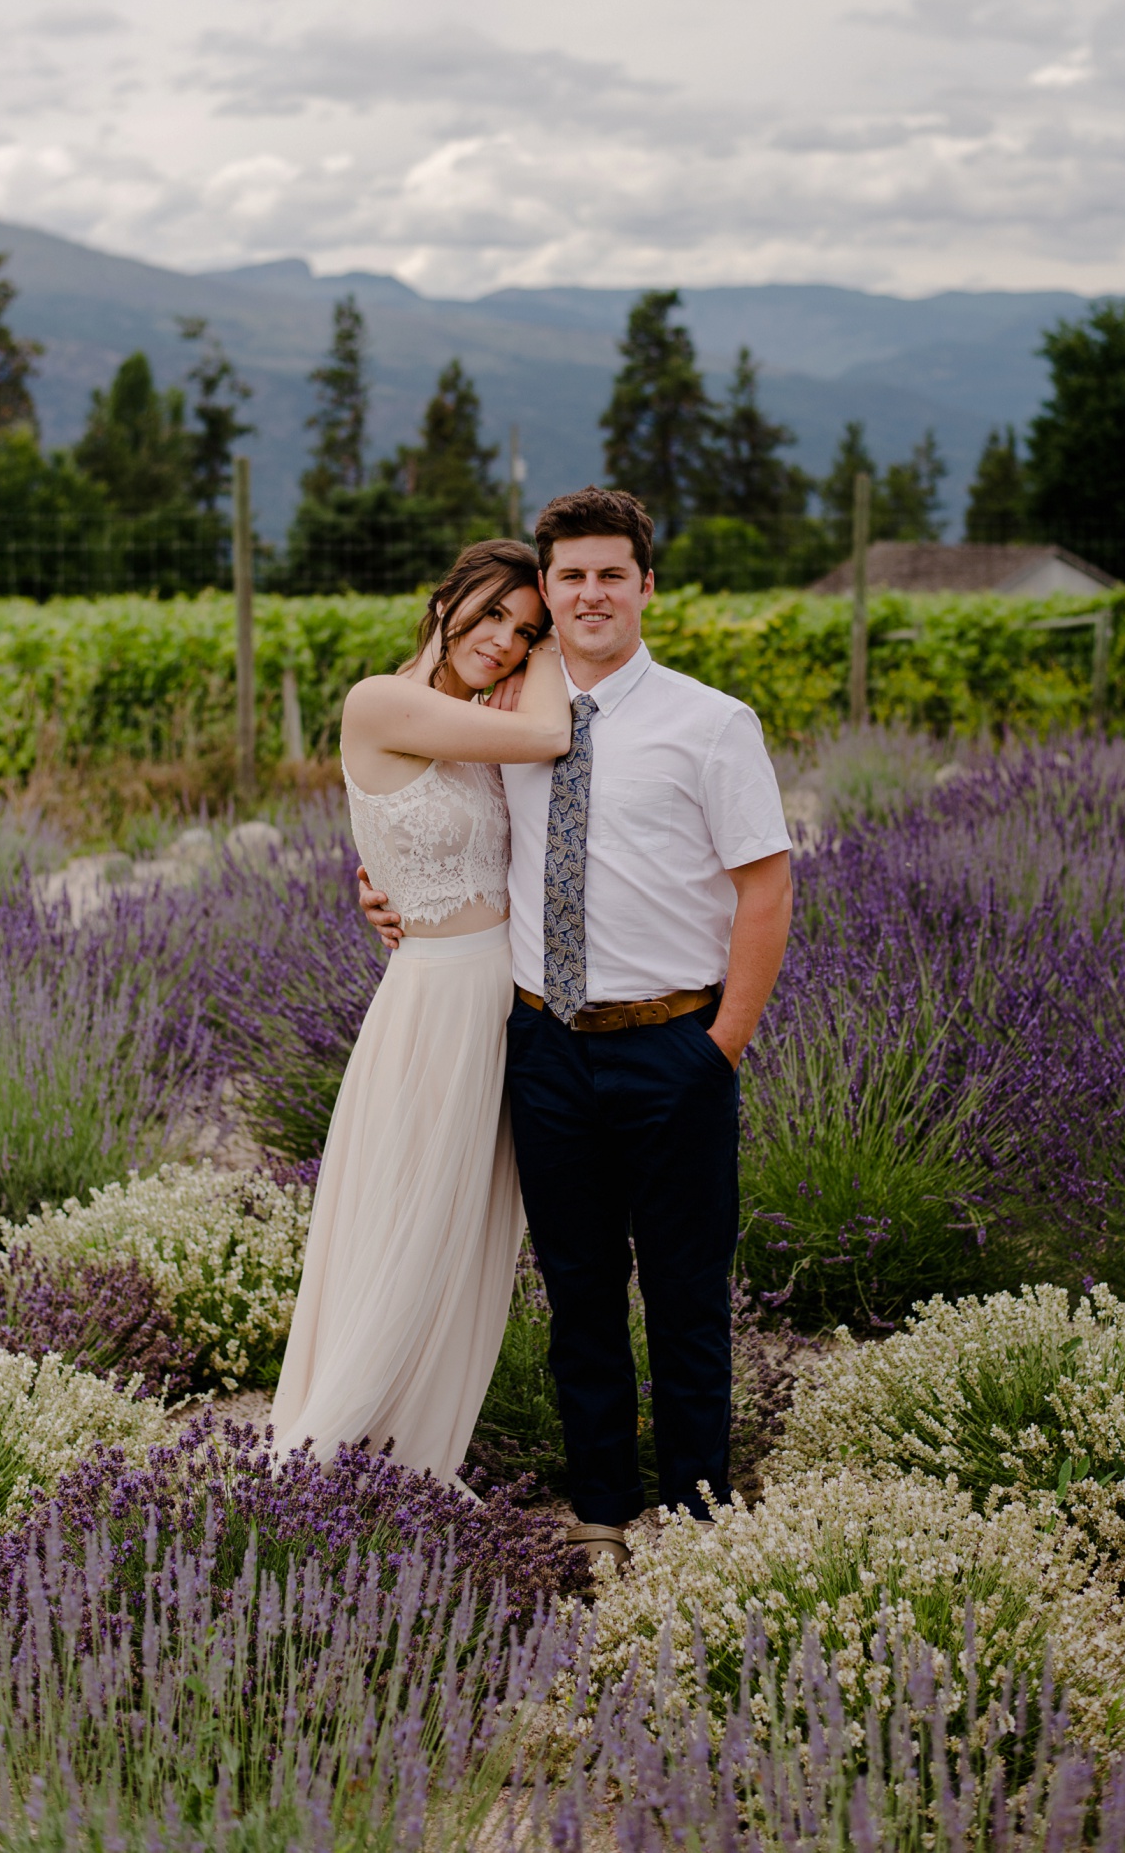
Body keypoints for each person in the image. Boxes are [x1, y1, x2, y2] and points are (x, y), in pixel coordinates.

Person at [361, 486, 793, 1568]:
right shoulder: (503, 719)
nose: (590, 592)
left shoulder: (709, 722)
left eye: (611, 573)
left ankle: (697, 1518)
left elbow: (766, 886)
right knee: (580, 1295)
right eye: (570, 577)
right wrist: (380, 894)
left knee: (687, 1294)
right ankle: (599, 1505)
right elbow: (427, 830)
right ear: (547, 596)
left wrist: (717, 1048)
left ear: (646, 585)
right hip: (541, 1046)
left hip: (671, 1046)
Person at [270, 538, 570, 1487]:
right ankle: (327, 1459)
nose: (505, 641)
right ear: (445, 602)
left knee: (463, 1239)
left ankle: (410, 1461)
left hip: (504, 998)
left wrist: (383, 886)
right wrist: (561, 651)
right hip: (438, 1004)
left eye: (524, 633)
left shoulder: (468, 717)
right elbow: (552, 737)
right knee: (408, 1227)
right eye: (492, 615)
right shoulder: (380, 700)